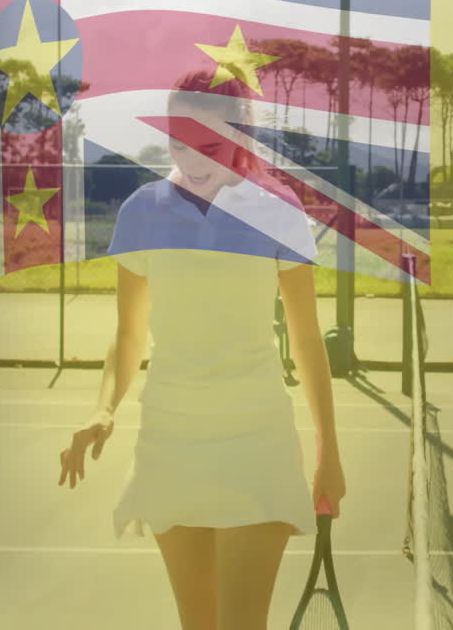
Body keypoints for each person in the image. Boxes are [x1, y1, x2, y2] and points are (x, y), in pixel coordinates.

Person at [57, 69, 347, 630]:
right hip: (171, 439)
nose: (190, 157)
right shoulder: (143, 209)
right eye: (177, 140)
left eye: (209, 144)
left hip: (255, 439)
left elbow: (309, 341)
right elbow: (127, 335)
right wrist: (103, 409)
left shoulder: (278, 209)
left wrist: (328, 452)